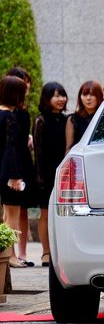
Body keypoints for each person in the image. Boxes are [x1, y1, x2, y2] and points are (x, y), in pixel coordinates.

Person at [33, 82, 68, 267]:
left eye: (62, 95)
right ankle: (46, 252)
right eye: (56, 95)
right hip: (45, 174)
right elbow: (38, 152)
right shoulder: (41, 120)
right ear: (47, 98)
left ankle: (60, 252)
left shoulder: (66, 120)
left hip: (63, 172)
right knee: (45, 214)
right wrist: (39, 177)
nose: (61, 99)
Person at [6, 67, 37, 267]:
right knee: (11, 212)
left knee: (21, 210)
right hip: (11, 164)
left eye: (26, 81)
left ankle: (21, 253)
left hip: (22, 161)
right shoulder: (7, 112)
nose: (26, 85)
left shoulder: (23, 110)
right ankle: (10, 254)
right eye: (22, 81)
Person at [0, 76, 28, 268]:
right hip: (9, 173)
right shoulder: (10, 117)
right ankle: (10, 255)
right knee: (12, 215)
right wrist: (16, 176)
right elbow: (11, 149)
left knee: (5, 215)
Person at [65, 80, 104, 154]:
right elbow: (68, 149)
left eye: (92, 95)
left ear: (99, 96)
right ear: (80, 97)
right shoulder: (73, 119)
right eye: (85, 94)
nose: (88, 98)